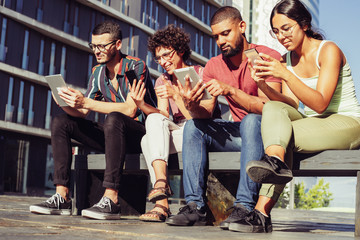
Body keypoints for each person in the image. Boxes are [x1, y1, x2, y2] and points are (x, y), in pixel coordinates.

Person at [229, 0, 360, 233]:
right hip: (315, 124)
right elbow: (289, 103)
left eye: (286, 28)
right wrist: (263, 85)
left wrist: (285, 75)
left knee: (282, 137)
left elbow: (320, 103)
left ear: (305, 25)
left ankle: (261, 213)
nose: (281, 36)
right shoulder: (288, 59)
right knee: (272, 109)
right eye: (276, 31)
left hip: (347, 122)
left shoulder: (328, 50)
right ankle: (275, 162)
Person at [165, 6, 282, 228]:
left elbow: (270, 108)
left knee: (250, 121)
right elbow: (206, 112)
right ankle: (195, 207)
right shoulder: (213, 65)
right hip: (237, 134)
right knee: (193, 127)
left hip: (267, 135)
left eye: (225, 33)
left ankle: (245, 208)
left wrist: (230, 90)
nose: (220, 41)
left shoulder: (267, 57)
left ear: (242, 27)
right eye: (216, 36)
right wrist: (190, 103)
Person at [29, 20, 156, 220]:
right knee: (61, 122)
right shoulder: (97, 72)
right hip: (113, 135)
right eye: (94, 46)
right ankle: (62, 196)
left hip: (139, 137)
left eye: (102, 46)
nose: (97, 51)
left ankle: (111, 199)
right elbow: (82, 112)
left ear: (117, 44)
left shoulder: (135, 66)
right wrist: (64, 102)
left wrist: (85, 101)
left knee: (114, 118)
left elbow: (131, 110)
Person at [128, 24, 218, 222]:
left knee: (146, 142)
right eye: (159, 58)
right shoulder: (162, 80)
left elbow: (200, 116)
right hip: (178, 131)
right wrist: (142, 104)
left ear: (181, 50)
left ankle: (161, 204)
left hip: (200, 130)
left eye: (167, 55)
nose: (163, 61)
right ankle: (162, 189)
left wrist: (176, 95)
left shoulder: (198, 73)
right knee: (149, 130)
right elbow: (162, 116)